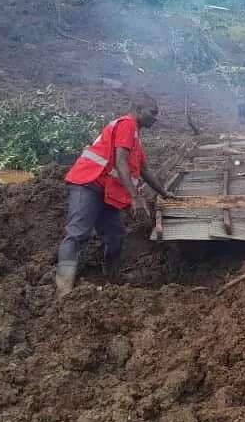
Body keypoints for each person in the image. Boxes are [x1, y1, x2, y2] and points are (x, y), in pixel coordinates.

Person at [55, 96, 174, 299]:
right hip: (88, 183)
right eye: (153, 112)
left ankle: (110, 280)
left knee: (115, 236)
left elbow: (144, 168)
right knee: (77, 233)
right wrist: (135, 197)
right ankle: (64, 291)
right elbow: (120, 162)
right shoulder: (127, 124)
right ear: (138, 109)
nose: (156, 118)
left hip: (105, 190)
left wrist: (163, 193)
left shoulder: (135, 136)